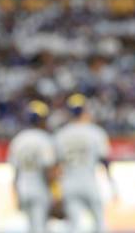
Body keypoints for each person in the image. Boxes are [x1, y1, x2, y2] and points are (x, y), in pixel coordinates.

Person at [54, 93, 112, 233]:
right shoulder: (95, 132)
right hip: (89, 182)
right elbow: (104, 160)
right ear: (85, 110)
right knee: (99, 223)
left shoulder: (61, 134)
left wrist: (55, 190)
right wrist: (111, 182)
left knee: (74, 226)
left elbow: (55, 165)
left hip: (69, 183)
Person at [8, 100, 57, 233]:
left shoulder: (18, 139)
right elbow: (49, 169)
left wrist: (16, 193)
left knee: (31, 227)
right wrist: (55, 193)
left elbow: (15, 172)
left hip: (23, 189)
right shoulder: (44, 139)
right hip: (39, 188)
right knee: (40, 227)